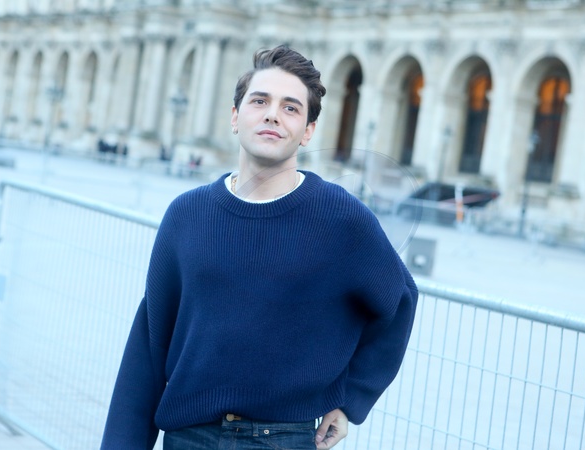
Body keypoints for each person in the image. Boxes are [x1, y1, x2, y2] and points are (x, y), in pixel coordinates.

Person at [101, 45, 418, 450]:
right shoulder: (187, 215)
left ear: (308, 131)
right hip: (189, 436)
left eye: (290, 108)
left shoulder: (340, 218)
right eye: (260, 101)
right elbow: (149, 345)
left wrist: (352, 398)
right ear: (235, 117)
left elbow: (400, 300)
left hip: (283, 438)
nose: (272, 114)